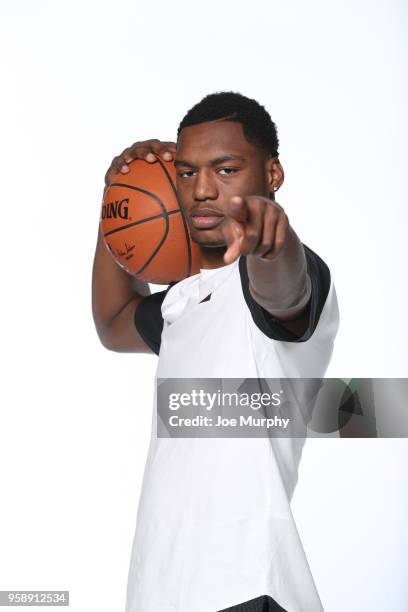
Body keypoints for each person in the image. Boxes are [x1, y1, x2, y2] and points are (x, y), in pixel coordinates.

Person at [92, 92, 340, 612]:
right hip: (160, 591)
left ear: (272, 174)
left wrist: (274, 240)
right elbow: (113, 323)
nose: (203, 189)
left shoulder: (275, 278)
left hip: (244, 587)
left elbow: (284, 292)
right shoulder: (187, 300)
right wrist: (117, 205)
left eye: (225, 169)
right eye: (186, 173)